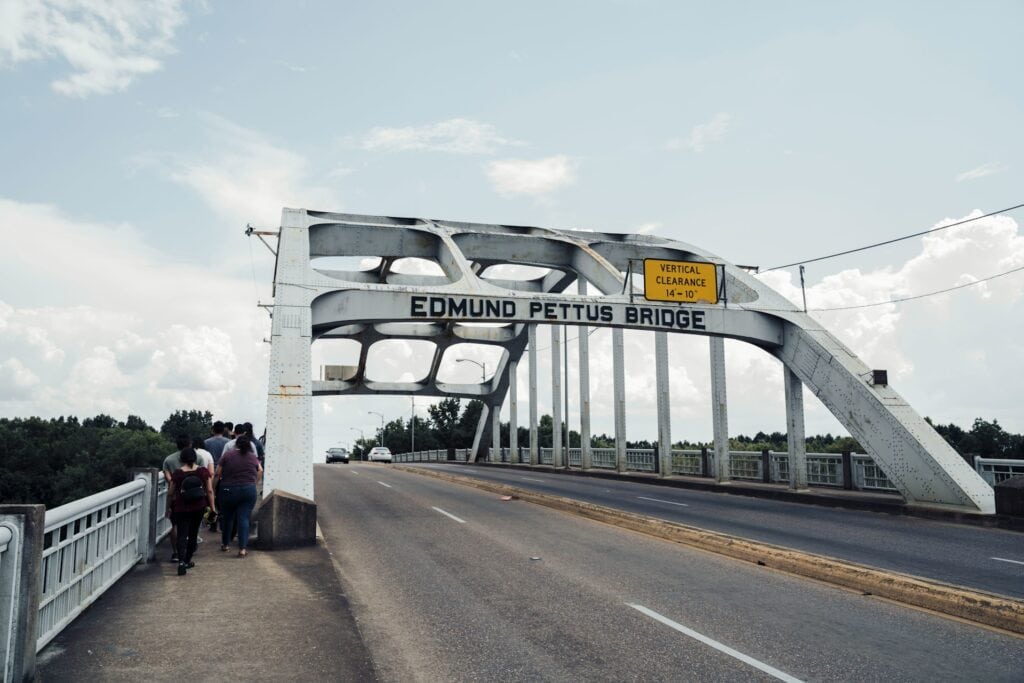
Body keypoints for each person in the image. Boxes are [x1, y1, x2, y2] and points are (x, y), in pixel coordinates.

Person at [167, 446, 216, 576]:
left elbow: (170, 493)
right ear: (195, 458)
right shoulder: (203, 472)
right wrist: (212, 508)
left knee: (182, 535)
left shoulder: (178, 473)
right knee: (193, 534)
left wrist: (168, 508)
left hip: (181, 508)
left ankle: (181, 562)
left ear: (182, 459)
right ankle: (188, 560)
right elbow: (210, 490)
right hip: (198, 507)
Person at [216, 433, 262, 557]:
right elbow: (260, 470)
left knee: (228, 518)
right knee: (244, 518)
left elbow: (218, 473)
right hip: (248, 490)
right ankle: (242, 549)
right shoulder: (252, 457)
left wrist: (218, 485)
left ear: (235, 444)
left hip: (228, 490)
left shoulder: (227, 455)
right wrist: (254, 482)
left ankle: (225, 544)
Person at [162, 435, 193, 562]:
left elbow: (168, 479)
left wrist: (167, 507)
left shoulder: (168, 460)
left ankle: (176, 553)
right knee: (191, 525)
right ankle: (188, 551)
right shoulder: (198, 458)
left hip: (176, 497)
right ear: (190, 445)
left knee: (175, 524)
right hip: (194, 497)